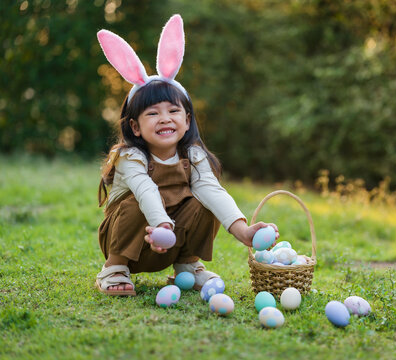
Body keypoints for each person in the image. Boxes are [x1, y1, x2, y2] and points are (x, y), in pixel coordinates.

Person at [94, 15, 278, 296]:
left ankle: (188, 265)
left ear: (188, 119)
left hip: (171, 242)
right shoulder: (130, 156)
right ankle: (114, 268)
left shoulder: (192, 154)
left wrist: (243, 231)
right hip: (134, 240)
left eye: (173, 111)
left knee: (204, 200)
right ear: (135, 126)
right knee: (133, 204)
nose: (164, 119)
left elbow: (211, 189)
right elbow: (145, 190)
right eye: (153, 113)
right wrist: (161, 224)